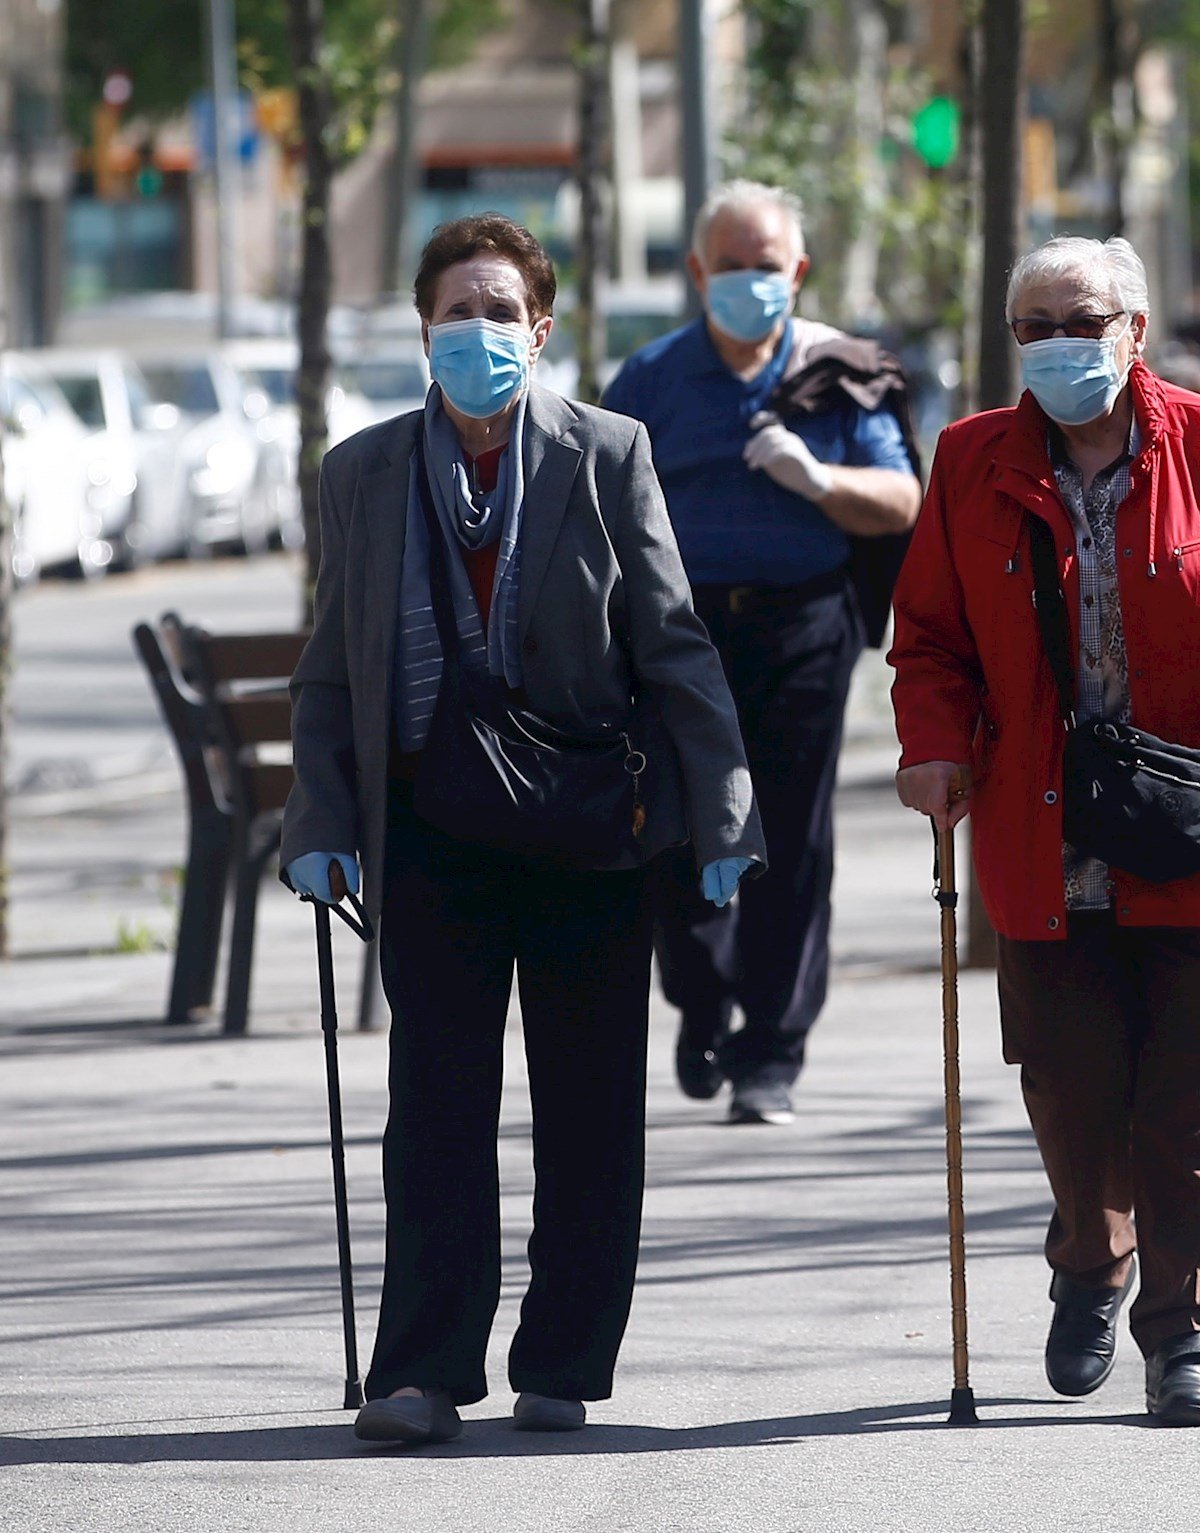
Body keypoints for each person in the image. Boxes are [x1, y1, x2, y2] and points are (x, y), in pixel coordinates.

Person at [282, 214, 765, 1445]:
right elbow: (332, 669)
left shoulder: (608, 453)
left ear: (541, 331)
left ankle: (563, 1360)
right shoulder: (362, 473)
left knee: (591, 1101)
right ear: (422, 329)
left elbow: (672, 643)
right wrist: (320, 818)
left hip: (584, 821)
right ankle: (421, 1370)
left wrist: (719, 809)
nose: (479, 333)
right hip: (432, 826)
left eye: (502, 313)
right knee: (435, 1103)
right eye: (457, 312)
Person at [890, 237, 1200, 1426]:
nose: (1062, 340)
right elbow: (931, 637)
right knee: (1071, 1091)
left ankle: (1184, 1329)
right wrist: (932, 745)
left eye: (1084, 317)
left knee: (1199, 1098)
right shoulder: (967, 462)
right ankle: (1087, 1259)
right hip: (1040, 832)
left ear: (1136, 327)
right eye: (1037, 323)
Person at [603, 182, 923, 1125]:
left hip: (804, 626)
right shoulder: (651, 379)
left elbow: (903, 498)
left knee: (789, 834)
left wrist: (820, 479)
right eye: (730, 266)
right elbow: (601, 504)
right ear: (698, 272)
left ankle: (772, 1051)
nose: (750, 282)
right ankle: (703, 1001)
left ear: (799, 272)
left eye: (767, 267)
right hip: (680, 634)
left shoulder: (843, 370)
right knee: (682, 827)